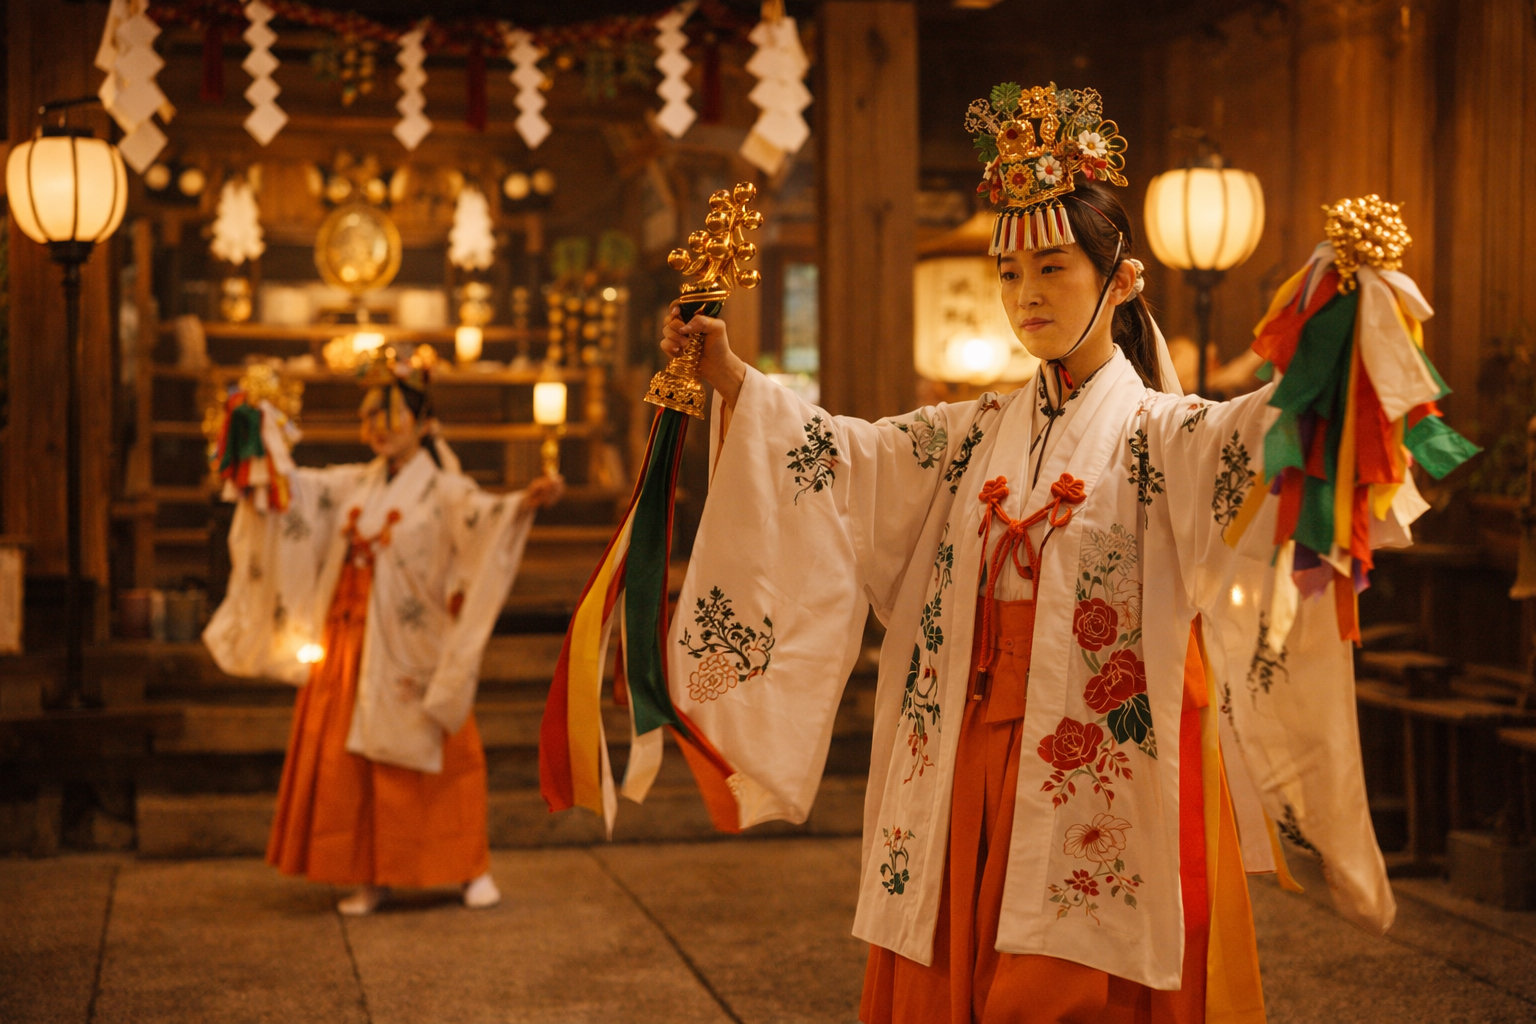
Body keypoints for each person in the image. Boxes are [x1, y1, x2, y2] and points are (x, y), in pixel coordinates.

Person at [652, 85, 1467, 1023]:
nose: (1026, 296)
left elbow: (1261, 434)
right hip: (969, 745)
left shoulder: (1165, 433)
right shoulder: (972, 431)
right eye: (1009, 274)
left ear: (1120, 281)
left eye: (1052, 267)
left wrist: (1340, 328)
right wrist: (728, 374)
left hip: (1101, 749)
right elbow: (846, 458)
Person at [204, 349, 563, 916]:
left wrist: (522, 503)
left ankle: (470, 869)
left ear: (423, 424)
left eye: (392, 416)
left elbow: (482, 515)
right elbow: (297, 493)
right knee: (351, 767)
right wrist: (261, 447)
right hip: (347, 641)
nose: (378, 427)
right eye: (370, 415)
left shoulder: (444, 489)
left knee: (440, 756)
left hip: (410, 645)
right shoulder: (354, 483)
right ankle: (372, 876)